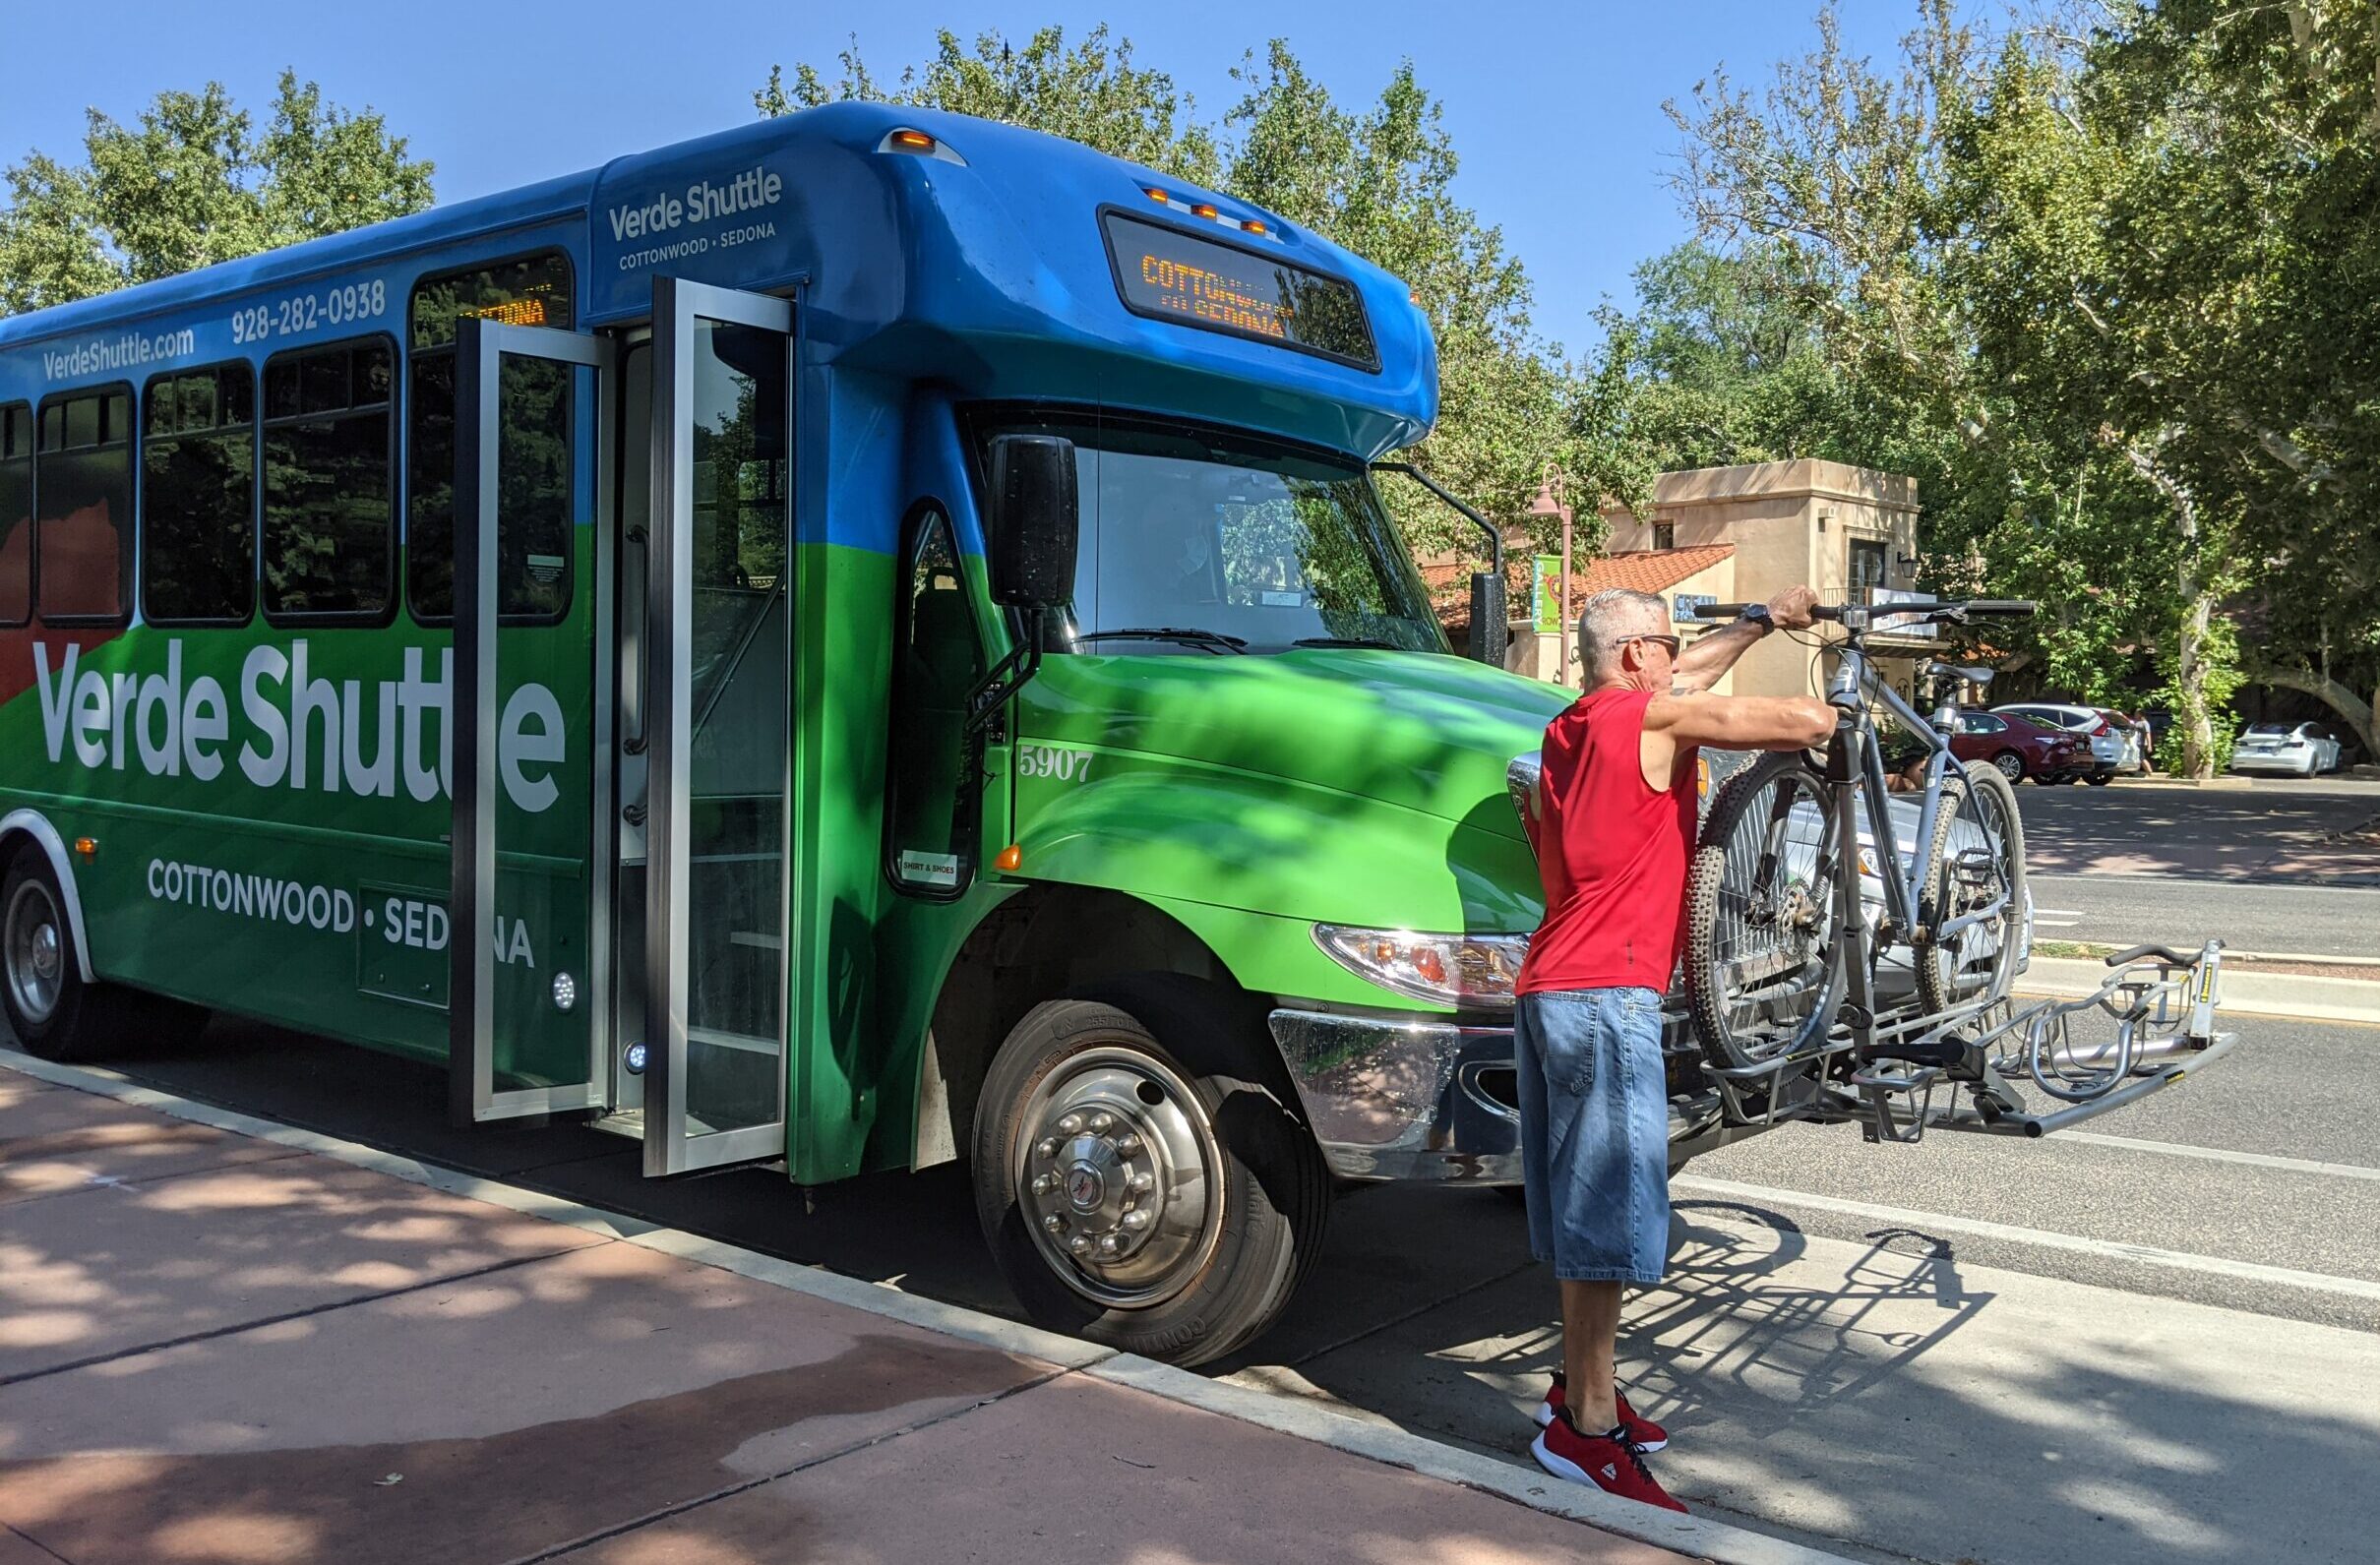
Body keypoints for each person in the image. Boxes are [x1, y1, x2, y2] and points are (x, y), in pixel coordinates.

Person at [1517, 585, 1833, 1511]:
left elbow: (1691, 676)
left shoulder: (1571, 726)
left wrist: (1764, 619)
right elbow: (1788, 715)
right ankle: (1586, 1431)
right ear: (1632, 658)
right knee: (1612, 1220)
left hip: (1552, 986)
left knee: (1584, 1217)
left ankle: (1581, 1393)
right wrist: (1833, 711)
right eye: (1665, 644)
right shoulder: (1648, 717)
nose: (1678, 655)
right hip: (1606, 995)